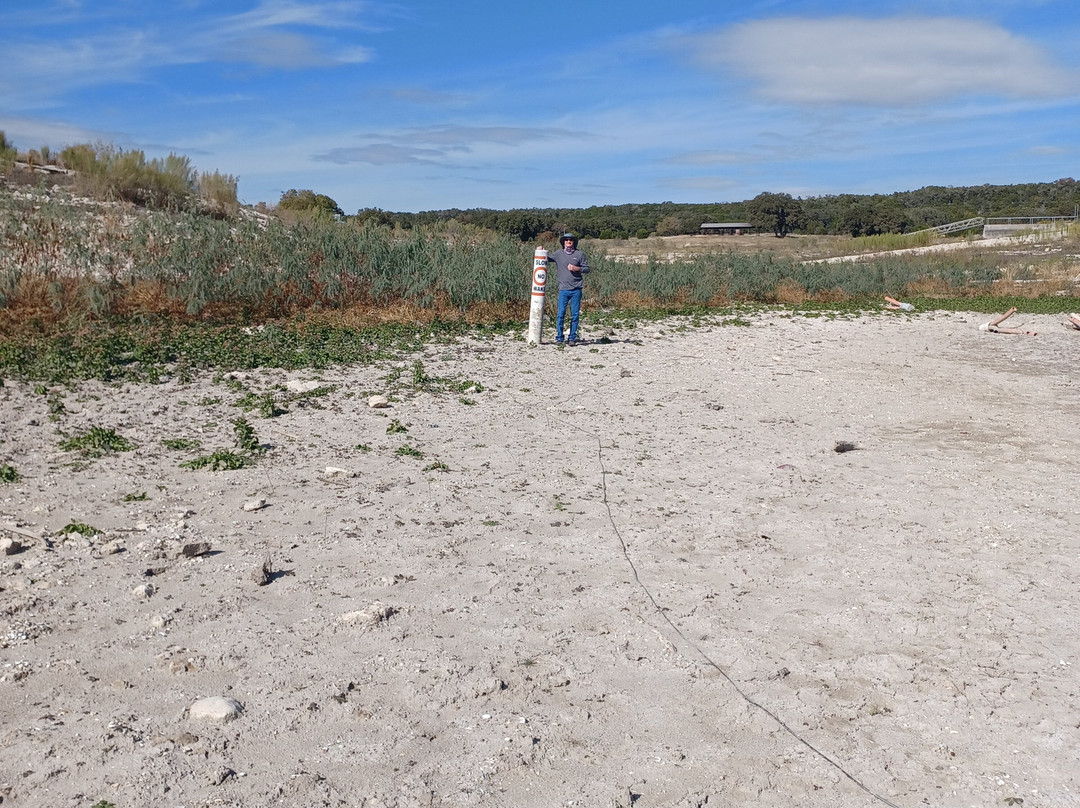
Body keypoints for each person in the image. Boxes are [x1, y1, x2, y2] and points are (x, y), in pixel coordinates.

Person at [545, 233, 590, 345]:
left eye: (571, 240)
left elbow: (587, 269)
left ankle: (572, 338)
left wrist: (576, 268)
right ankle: (559, 338)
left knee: (575, 315)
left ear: (574, 242)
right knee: (560, 314)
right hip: (563, 290)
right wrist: (540, 251)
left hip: (576, 289)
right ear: (563, 242)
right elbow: (546, 258)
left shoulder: (580, 254)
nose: (569, 241)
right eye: (566, 240)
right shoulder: (558, 254)